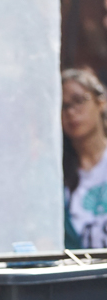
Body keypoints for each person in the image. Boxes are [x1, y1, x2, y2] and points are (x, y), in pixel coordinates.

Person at [62, 68, 107, 249]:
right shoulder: (55, 177)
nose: (72, 112)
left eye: (78, 100)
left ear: (101, 103)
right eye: (63, 106)